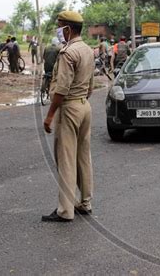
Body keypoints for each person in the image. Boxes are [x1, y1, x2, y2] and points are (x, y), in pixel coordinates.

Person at [42, 11, 95, 222]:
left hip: (69, 107)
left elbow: (61, 89)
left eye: (59, 25)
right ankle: (85, 202)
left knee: (65, 159)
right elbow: (91, 86)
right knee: (83, 157)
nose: (58, 30)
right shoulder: (87, 50)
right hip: (84, 105)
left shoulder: (68, 53)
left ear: (67, 29)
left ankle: (65, 210)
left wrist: (50, 115)